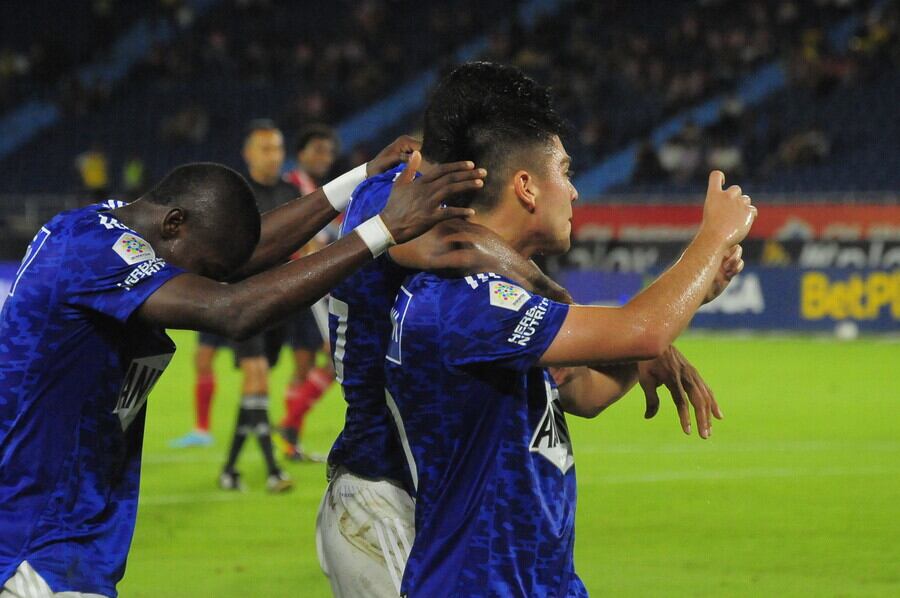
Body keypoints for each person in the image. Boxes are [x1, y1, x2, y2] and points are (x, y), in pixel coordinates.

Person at [316, 62, 744, 596]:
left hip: (487, 537)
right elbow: (448, 240)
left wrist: (662, 317)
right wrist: (706, 245)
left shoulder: (484, 289)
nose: (575, 190)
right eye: (563, 170)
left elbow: (582, 389)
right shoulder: (417, 235)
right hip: (389, 501)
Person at [0, 136, 484, 597]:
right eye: (207, 269)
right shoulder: (93, 252)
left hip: (64, 534)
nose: (208, 280)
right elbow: (231, 310)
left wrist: (358, 179)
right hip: (37, 537)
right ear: (173, 224)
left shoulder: (107, 230)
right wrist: (381, 231)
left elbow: (237, 257)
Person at [218, 119, 306, 492]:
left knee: (256, 387)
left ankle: (229, 469)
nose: (273, 156)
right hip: (244, 298)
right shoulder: (236, 194)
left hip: (279, 300)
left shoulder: (290, 192)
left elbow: (305, 241)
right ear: (248, 153)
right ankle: (273, 471)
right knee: (256, 379)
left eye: (277, 148)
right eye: (265, 148)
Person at [278, 124, 342, 462]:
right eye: (317, 149)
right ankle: (288, 425)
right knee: (335, 356)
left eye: (328, 151)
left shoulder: (312, 188)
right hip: (310, 285)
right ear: (300, 153)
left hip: (300, 285)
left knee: (303, 366)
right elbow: (305, 241)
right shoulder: (295, 187)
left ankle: (290, 443)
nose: (324, 157)